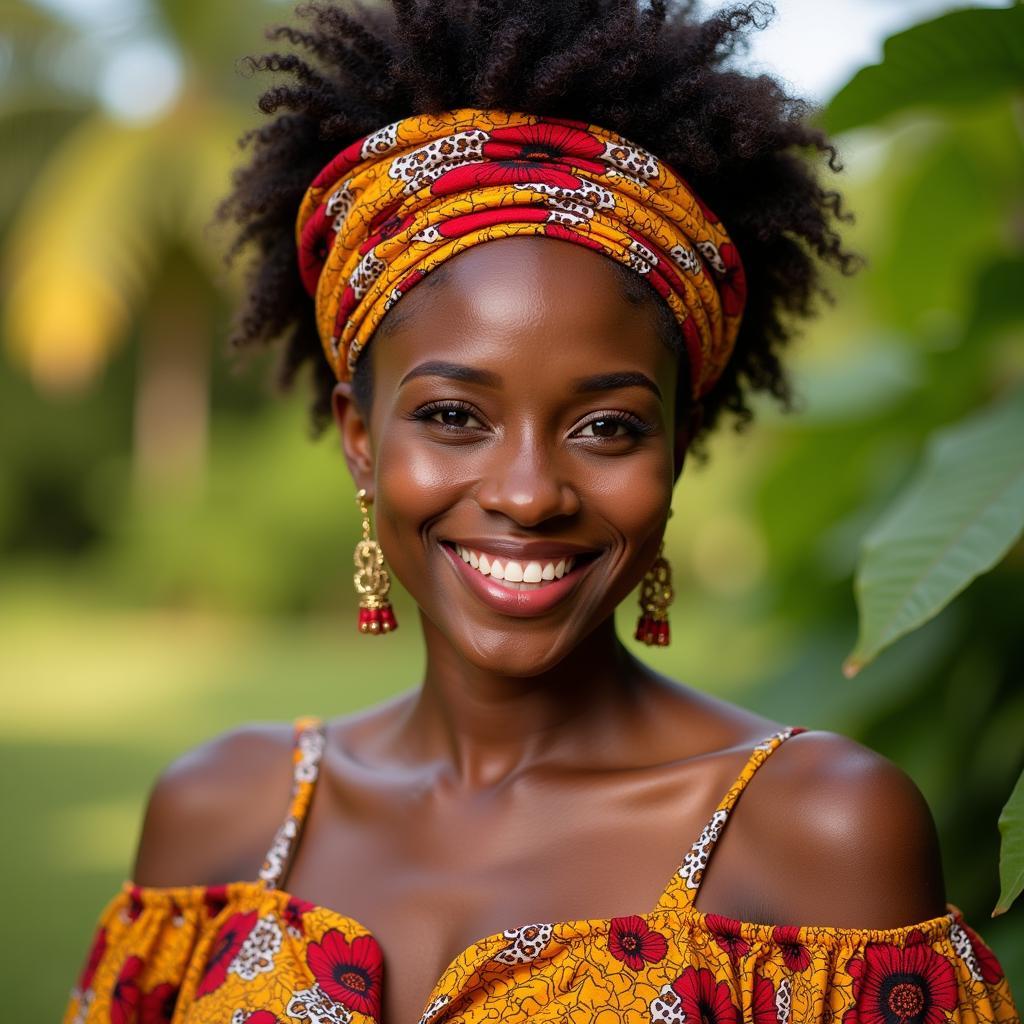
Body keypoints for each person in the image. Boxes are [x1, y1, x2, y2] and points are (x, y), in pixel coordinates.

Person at [64, 2, 1020, 1023]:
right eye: (451, 415)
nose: (527, 493)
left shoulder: (823, 833)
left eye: (606, 426)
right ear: (358, 434)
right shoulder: (215, 816)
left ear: (678, 446)